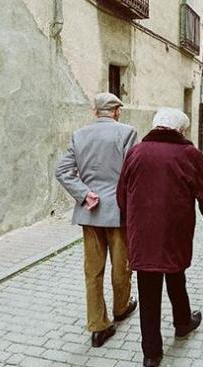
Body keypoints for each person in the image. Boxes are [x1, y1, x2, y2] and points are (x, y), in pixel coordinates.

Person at [117, 107, 203, 367]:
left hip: (143, 234)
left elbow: (122, 193)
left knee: (148, 289)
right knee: (176, 275)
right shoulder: (188, 154)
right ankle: (182, 322)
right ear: (180, 130)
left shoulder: (136, 152)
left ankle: (151, 353)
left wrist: (130, 218)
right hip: (174, 232)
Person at [56, 92, 138, 348]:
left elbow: (62, 171)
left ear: (95, 112)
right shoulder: (127, 133)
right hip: (119, 212)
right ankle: (121, 307)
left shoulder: (80, 135)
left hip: (90, 212)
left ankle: (98, 326)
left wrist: (84, 194)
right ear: (117, 111)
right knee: (121, 265)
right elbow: (132, 173)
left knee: (93, 271)